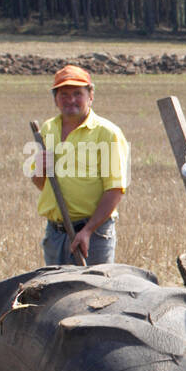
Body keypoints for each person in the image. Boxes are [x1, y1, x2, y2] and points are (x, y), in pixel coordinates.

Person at [30, 64, 129, 265]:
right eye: (64, 94)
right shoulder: (48, 129)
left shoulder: (107, 133)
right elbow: (41, 184)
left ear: (90, 95)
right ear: (55, 98)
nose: (71, 100)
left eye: (78, 93)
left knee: (97, 294)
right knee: (56, 294)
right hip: (56, 233)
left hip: (94, 233)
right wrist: (40, 167)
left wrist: (87, 231)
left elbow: (115, 190)